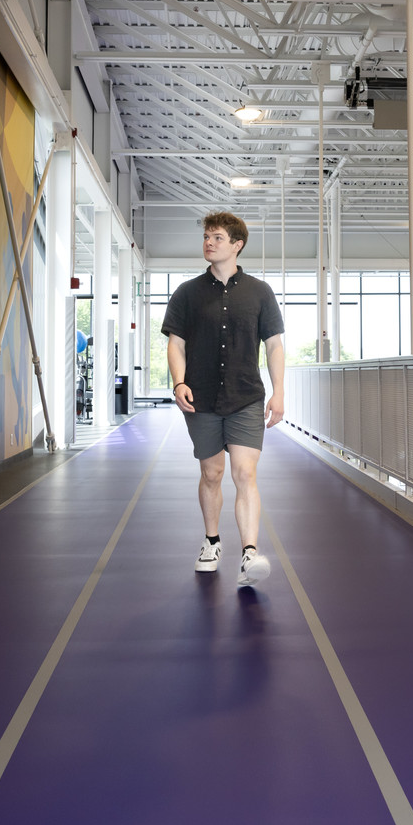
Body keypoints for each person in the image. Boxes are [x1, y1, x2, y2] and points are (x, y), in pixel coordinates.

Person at [162, 211, 285, 586]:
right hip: (200, 398)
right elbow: (175, 343)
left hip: (246, 396)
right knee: (212, 473)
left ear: (237, 244)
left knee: (245, 473)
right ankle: (212, 541)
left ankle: (250, 553)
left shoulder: (260, 292)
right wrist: (179, 382)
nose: (209, 243)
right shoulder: (187, 293)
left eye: (217, 237)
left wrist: (279, 391)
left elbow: (275, 345)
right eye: (206, 237)